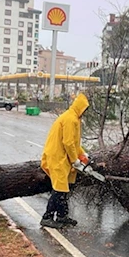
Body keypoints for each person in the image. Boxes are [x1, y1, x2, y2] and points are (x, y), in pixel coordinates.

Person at [40, 92, 90, 228]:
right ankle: (47, 217)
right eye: (84, 109)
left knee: (65, 188)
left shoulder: (74, 118)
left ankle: (62, 216)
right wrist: (75, 160)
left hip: (63, 157)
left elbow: (74, 143)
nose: (85, 112)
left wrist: (83, 154)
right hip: (57, 157)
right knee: (59, 189)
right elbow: (68, 143)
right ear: (80, 107)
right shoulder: (70, 119)